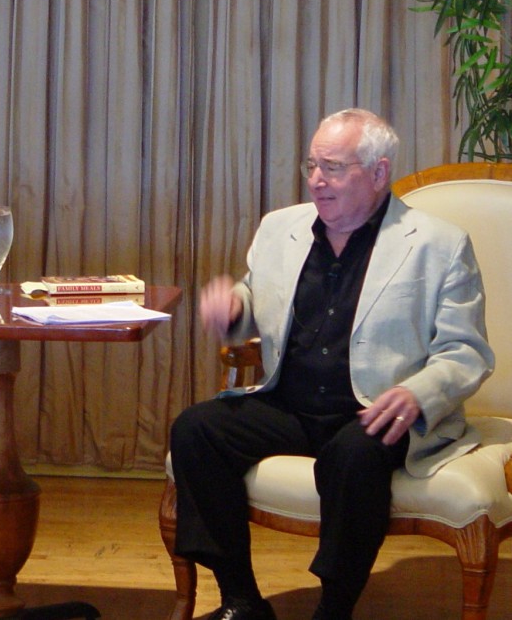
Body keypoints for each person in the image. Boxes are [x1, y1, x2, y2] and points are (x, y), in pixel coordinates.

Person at [169, 108, 494, 620]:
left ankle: (334, 608)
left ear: (379, 172)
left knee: (354, 456)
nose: (317, 181)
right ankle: (240, 599)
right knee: (196, 430)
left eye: (334, 168)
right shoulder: (281, 228)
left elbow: (467, 352)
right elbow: (254, 297)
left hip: (377, 411)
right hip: (290, 404)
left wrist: (418, 393)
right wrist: (233, 308)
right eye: (312, 166)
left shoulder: (438, 244)